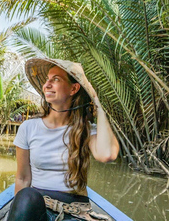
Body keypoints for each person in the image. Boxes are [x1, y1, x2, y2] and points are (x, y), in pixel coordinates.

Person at [8, 58, 119, 221]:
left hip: (74, 211)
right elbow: (23, 178)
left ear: (74, 88)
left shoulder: (86, 130)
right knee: (26, 196)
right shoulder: (28, 127)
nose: (47, 84)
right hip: (38, 207)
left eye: (56, 79)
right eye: (47, 80)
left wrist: (98, 105)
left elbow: (107, 155)